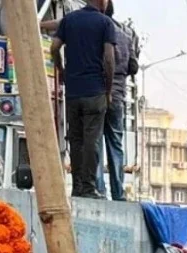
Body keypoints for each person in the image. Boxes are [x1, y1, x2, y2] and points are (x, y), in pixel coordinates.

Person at [51, 0, 116, 198]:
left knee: (76, 140)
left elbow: (54, 47)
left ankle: (77, 187)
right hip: (95, 90)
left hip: (73, 91)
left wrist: (61, 70)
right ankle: (88, 187)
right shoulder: (105, 23)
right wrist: (109, 89)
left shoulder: (69, 20)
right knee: (92, 141)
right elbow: (109, 58)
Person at [99, 2, 138, 200]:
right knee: (115, 143)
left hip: (98, 92)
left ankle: (99, 189)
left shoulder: (98, 28)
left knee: (95, 141)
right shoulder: (127, 33)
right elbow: (133, 66)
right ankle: (118, 191)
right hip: (119, 94)